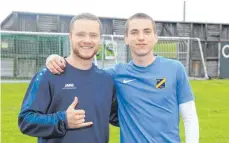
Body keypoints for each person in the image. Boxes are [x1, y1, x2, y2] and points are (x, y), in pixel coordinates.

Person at [46, 13, 199, 143]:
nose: (141, 37)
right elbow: (84, 71)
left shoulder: (175, 68)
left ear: (155, 37)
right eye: (134, 32)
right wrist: (53, 58)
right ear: (126, 38)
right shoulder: (115, 74)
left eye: (146, 32)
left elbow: (189, 117)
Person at [18, 13, 118, 143]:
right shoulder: (49, 74)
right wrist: (63, 120)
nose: (87, 40)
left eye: (93, 35)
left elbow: (119, 117)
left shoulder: (106, 80)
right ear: (70, 37)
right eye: (80, 34)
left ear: (100, 38)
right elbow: (26, 120)